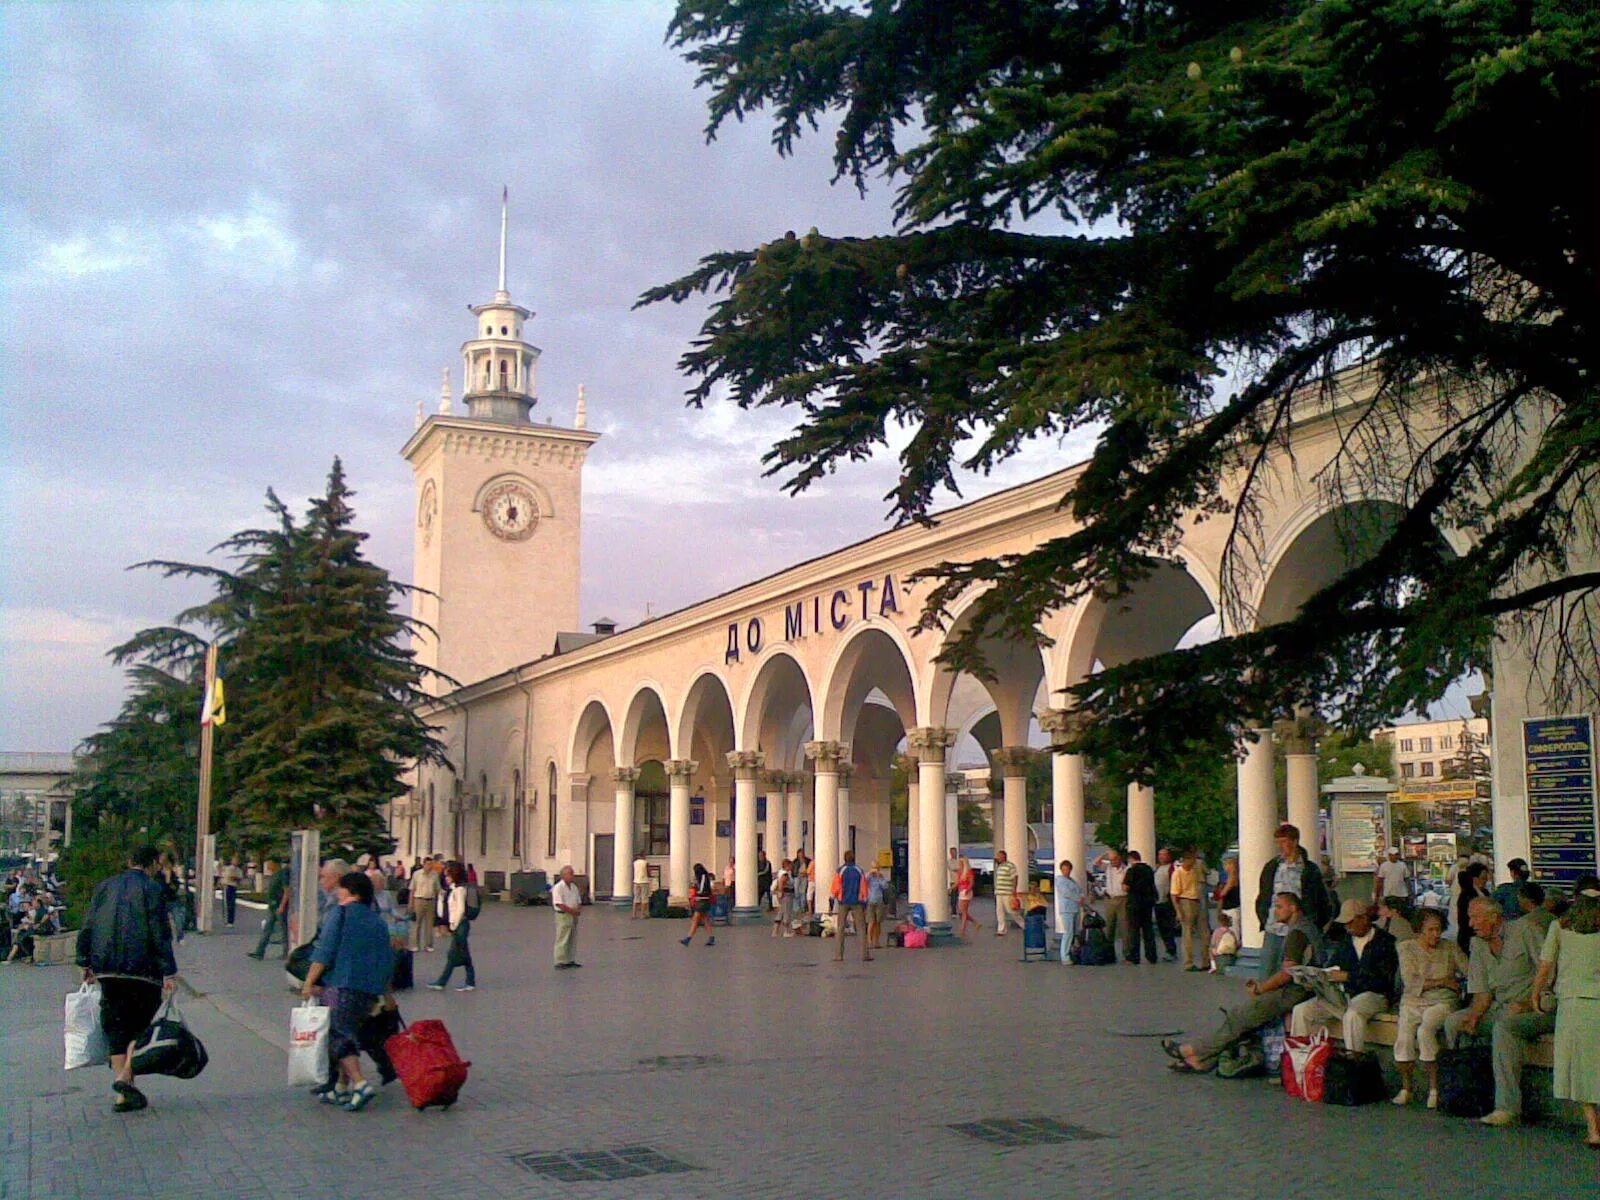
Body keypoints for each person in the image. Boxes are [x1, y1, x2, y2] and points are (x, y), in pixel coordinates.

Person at [1167, 892, 1325, 1073]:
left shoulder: (1297, 934)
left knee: (1240, 1016)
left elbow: (1288, 973)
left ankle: (1194, 1050)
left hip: (1296, 991)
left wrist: (1262, 988)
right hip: (1302, 988)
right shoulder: (1307, 928)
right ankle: (1201, 1060)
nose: (1275, 911)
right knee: (1245, 1018)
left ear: (1293, 908)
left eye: (1280, 907)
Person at [75, 845, 179, 1113]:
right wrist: (169, 971)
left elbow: (88, 924)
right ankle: (124, 1079)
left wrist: (84, 961)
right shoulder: (153, 889)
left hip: (106, 968)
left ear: (129, 860)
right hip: (143, 970)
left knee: (116, 1026)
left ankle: (124, 1094)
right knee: (139, 1027)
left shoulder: (105, 887)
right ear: (154, 863)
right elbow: (159, 933)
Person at [1444, 896, 1555, 1128]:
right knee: (1455, 1021)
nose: (1471, 924)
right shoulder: (1478, 944)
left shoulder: (1526, 930)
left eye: (1475, 917)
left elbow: (1549, 973)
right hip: (1500, 1006)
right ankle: (1470, 1093)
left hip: (1537, 1006)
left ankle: (1507, 1107)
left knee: (1504, 1028)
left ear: (1494, 917)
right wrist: (1472, 1018)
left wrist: (1527, 1002)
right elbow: (1482, 992)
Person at [301, 871, 395, 1111]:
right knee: (349, 1034)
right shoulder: (378, 922)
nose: (337, 892)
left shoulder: (340, 914)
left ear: (352, 892)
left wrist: (309, 982)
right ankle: (341, 1089)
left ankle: (360, 1084)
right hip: (368, 992)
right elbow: (385, 961)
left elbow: (325, 951)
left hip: (342, 985)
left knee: (339, 1037)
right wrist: (387, 995)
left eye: (342, 888)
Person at [1531, 876, 1600, 1148]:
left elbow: (1546, 967)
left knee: (1581, 1067)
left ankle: (1594, 1128)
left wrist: (1536, 993)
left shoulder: (1559, 926)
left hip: (1573, 1004)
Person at [1290, 898, 1399, 1052]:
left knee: (1353, 1015)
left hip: (1374, 995)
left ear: (1364, 918)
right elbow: (1332, 966)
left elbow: (1383, 980)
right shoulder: (1346, 941)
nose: (1348, 928)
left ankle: (1353, 1059)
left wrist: (1348, 977)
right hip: (1344, 994)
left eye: (1351, 922)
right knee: (1302, 1011)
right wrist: (1316, 979)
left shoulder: (1385, 942)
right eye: (1345, 924)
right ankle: (1301, 1059)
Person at [1391, 907, 1468, 1108]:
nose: (1436, 934)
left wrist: (1454, 984)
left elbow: (1468, 970)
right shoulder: (1406, 948)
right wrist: (1444, 981)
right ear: (1419, 930)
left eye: (1438, 929)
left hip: (1442, 1001)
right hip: (1412, 1001)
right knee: (1404, 1037)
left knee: (1426, 1030)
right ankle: (1406, 1088)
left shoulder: (1450, 948)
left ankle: (1434, 1089)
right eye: (1431, 930)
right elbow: (1411, 981)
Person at [1256, 823, 1332, 981]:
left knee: (1294, 973)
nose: (1281, 847)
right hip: (1274, 927)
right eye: (1278, 842)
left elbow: (1322, 900)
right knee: (1267, 972)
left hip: (1298, 929)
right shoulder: (1273, 867)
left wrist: (1314, 922)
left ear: (1295, 841)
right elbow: (1264, 894)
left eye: (1284, 842)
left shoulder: (1309, 870)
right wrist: (1263, 916)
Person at [426, 863, 477, 991]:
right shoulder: (453, 889)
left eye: (448, 875)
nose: (446, 878)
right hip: (458, 925)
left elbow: (460, 908)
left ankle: (444, 982)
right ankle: (468, 981)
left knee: (456, 954)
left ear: (454, 875)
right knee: (461, 954)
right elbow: (443, 910)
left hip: (460, 925)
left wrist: (454, 924)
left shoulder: (460, 890)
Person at [830, 851, 873, 962]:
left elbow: (835, 887)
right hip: (857, 902)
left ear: (845, 859)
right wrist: (864, 900)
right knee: (861, 928)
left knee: (840, 928)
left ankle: (838, 955)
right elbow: (864, 887)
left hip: (843, 901)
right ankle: (864, 954)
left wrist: (834, 897)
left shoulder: (840, 871)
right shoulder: (859, 871)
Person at [1171, 848, 1209, 971]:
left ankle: (1206, 960)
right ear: (1186, 860)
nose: (1194, 862)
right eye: (1192, 859)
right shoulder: (1178, 873)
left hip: (1196, 900)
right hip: (1185, 900)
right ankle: (1188, 962)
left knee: (1204, 932)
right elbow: (1174, 894)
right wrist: (1178, 911)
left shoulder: (1194, 871)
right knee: (1187, 933)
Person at [248, 859, 290, 960]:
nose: (268, 867)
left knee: (284, 930)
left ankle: (287, 952)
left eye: (269, 864)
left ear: (275, 864)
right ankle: (259, 952)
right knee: (268, 929)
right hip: (272, 906)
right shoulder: (274, 875)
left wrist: (282, 906)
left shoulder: (282, 874)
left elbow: (287, 891)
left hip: (279, 906)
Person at [1123, 850, 1159, 965]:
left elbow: (1126, 887)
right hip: (1147, 903)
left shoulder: (1131, 871)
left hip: (1134, 904)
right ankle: (1151, 956)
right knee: (1148, 930)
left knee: (1134, 931)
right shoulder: (1148, 870)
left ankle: (1134, 957)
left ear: (1130, 859)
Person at [1096, 849, 1128, 952]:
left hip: (1122, 899)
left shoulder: (1126, 869)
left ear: (1119, 858)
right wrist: (1105, 854)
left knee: (1124, 927)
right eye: (1111, 860)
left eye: (1114, 859)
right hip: (1110, 898)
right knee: (1109, 927)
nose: (1112, 862)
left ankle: (1126, 952)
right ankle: (1109, 952)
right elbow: (1097, 862)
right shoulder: (1109, 868)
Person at [550, 865, 583, 968]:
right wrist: (572, 911)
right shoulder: (558, 888)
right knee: (562, 938)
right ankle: (560, 961)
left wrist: (577, 909)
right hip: (563, 915)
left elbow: (578, 900)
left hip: (573, 915)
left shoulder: (574, 887)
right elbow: (559, 903)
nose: (572, 876)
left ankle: (570, 959)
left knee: (572, 938)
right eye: (570, 874)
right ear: (564, 875)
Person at [1455, 862, 1491, 952]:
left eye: (1486, 878)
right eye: (1483, 878)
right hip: (1470, 938)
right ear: (1474, 879)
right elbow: (1464, 921)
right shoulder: (1466, 896)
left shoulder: (1485, 893)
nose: (1486, 881)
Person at [1054, 860, 1084, 964]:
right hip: (1066, 909)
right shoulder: (1060, 880)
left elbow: (1080, 891)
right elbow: (1066, 893)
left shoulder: (1072, 881)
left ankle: (1072, 953)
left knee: (1074, 932)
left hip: (1075, 908)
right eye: (1064, 869)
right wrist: (1078, 898)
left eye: (1068, 869)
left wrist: (1082, 897)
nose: (1066, 871)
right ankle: (1064, 956)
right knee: (1068, 932)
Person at [1153, 848, 1180, 961]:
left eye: (1164, 855)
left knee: (1168, 927)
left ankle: (1171, 950)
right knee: (1162, 928)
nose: (1161, 857)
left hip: (1168, 902)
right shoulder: (1158, 868)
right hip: (1158, 902)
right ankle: (1168, 949)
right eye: (1160, 854)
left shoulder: (1172, 868)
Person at [409, 856, 441, 953]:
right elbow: (412, 889)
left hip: (431, 900)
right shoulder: (417, 874)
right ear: (424, 864)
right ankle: (415, 945)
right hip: (419, 900)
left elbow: (437, 888)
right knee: (417, 923)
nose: (429, 866)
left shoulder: (435, 874)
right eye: (427, 864)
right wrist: (411, 903)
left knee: (429, 924)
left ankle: (429, 945)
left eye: (431, 864)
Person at [992, 849, 1023, 935]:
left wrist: (1014, 890)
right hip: (999, 892)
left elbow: (1015, 877)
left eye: (999, 856)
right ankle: (1001, 929)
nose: (997, 858)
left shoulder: (1010, 866)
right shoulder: (999, 866)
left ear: (1003, 856)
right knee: (999, 911)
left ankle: (1023, 924)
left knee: (1011, 910)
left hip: (1007, 892)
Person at [1214, 853, 1241, 933]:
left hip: (1232, 908)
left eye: (1228, 863)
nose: (1225, 866)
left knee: (1233, 931)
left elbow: (1223, 893)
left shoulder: (1232, 877)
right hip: (1228, 908)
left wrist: (1220, 891)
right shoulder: (1229, 876)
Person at [865, 864, 888, 949]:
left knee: (878, 922)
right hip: (870, 901)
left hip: (879, 901)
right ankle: (869, 941)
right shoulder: (869, 877)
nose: (875, 870)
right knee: (871, 922)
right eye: (873, 868)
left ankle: (877, 941)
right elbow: (864, 881)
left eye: (876, 868)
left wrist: (881, 877)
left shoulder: (880, 878)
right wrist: (870, 873)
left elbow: (885, 886)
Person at [955, 855, 977, 938]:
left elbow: (972, 882)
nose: (959, 864)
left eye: (961, 863)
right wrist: (952, 888)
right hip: (961, 891)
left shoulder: (968, 872)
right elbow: (958, 882)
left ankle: (963, 929)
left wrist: (968, 889)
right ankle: (975, 923)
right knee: (963, 911)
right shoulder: (960, 872)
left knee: (963, 911)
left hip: (966, 892)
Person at [771, 859, 795, 937]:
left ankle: (775, 931)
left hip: (784, 894)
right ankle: (786, 931)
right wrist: (781, 892)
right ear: (787, 865)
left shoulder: (780, 872)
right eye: (791, 865)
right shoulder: (785, 874)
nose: (792, 867)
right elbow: (781, 883)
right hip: (787, 895)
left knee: (780, 912)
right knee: (787, 912)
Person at [220, 858, 243, 927]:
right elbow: (229, 877)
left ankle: (230, 921)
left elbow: (239, 878)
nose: (236, 862)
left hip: (233, 887)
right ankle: (226, 920)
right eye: (234, 861)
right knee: (226, 904)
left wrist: (234, 877)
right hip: (227, 886)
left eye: (237, 861)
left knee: (232, 904)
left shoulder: (238, 870)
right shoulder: (229, 868)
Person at [631, 851, 651, 919]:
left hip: (636, 881)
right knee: (644, 898)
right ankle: (642, 914)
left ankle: (634, 914)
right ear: (644, 856)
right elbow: (648, 873)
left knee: (636, 897)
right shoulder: (645, 863)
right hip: (644, 881)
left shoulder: (635, 863)